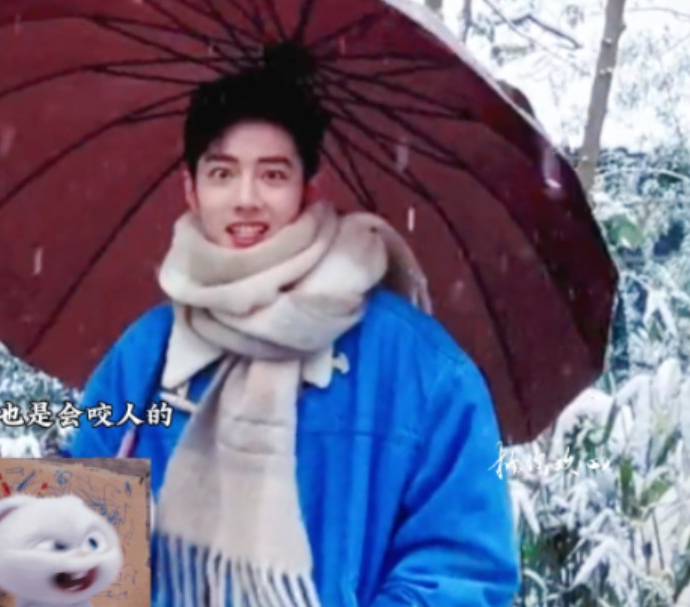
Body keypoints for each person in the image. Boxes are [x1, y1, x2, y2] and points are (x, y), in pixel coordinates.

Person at [70, 61, 520, 606]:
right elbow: (59, 577)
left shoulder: (418, 368)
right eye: (222, 173)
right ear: (190, 189)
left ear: (309, 188)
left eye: (273, 175)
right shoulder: (144, 357)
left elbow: (462, 572)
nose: (246, 198)